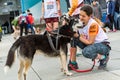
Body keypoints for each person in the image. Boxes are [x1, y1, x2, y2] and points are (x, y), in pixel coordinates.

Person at [68, 5, 111, 70]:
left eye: (83, 16)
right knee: (73, 39)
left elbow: (90, 42)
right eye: (80, 15)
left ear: (90, 16)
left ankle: (103, 57)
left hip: (103, 46)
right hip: (92, 45)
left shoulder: (93, 25)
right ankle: (73, 63)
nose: (81, 17)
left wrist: (78, 36)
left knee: (86, 52)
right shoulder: (80, 23)